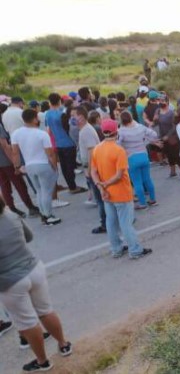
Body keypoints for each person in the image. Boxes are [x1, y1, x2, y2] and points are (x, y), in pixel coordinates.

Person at [0, 196, 72, 372]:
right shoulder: (10, 214)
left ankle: (43, 361)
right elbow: (29, 237)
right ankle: (64, 345)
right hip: (34, 269)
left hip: (11, 281)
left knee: (27, 322)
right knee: (46, 310)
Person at [91, 120, 153, 260]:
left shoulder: (97, 149)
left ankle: (116, 249)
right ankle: (135, 250)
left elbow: (93, 172)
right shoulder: (119, 150)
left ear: (102, 132)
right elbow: (119, 175)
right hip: (121, 192)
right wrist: (106, 184)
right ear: (116, 131)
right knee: (126, 222)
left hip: (106, 193)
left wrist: (101, 186)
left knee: (111, 222)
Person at [11, 110, 61, 226]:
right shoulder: (41, 134)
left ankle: (43, 214)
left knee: (39, 191)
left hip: (29, 166)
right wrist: (54, 166)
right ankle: (48, 215)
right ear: (34, 119)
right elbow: (50, 153)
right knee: (46, 191)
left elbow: (15, 153)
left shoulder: (16, 134)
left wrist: (17, 166)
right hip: (43, 164)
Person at [45, 93, 86, 194]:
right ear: (59, 101)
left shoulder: (48, 114)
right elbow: (70, 127)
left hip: (58, 143)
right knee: (70, 166)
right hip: (68, 143)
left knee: (64, 166)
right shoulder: (62, 114)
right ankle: (73, 187)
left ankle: (71, 185)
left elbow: (49, 129)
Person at [118, 111, 160, 209]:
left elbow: (118, 145)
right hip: (144, 156)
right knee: (147, 179)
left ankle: (142, 203)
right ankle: (153, 200)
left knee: (137, 182)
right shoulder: (140, 127)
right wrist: (146, 140)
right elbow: (154, 134)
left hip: (131, 158)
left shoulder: (121, 131)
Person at [0, 122, 39, 218]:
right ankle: (30, 207)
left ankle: (12, 208)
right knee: (20, 184)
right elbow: (4, 145)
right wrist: (15, 163)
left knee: (5, 186)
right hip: (6, 161)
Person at [77, 107, 106, 234]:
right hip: (92, 167)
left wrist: (90, 170)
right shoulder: (84, 129)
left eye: (74, 115)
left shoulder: (86, 131)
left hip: (93, 169)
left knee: (100, 199)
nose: (71, 119)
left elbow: (91, 151)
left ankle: (105, 223)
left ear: (81, 116)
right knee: (101, 197)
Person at [158, 96, 180, 178]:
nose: (161, 102)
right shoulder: (158, 112)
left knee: (176, 154)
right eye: (160, 100)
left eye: (163, 101)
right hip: (163, 137)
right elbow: (159, 125)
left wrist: (168, 135)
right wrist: (160, 137)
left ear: (167, 102)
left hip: (172, 137)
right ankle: (173, 172)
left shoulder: (171, 112)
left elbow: (174, 126)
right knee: (168, 154)